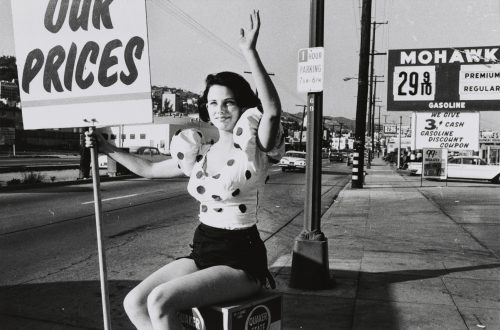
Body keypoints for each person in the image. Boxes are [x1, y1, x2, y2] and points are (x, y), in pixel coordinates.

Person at [86, 10, 284, 330]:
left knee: (161, 301)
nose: (220, 110)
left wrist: (250, 52)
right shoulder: (200, 156)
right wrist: (106, 148)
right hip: (202, 252)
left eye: (229, 103)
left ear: (243, 105)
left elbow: (272, 111)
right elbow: (148, 169)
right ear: (205, 107)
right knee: (134, 302)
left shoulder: (254, 150)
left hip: (239, 260)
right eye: (213, 103)